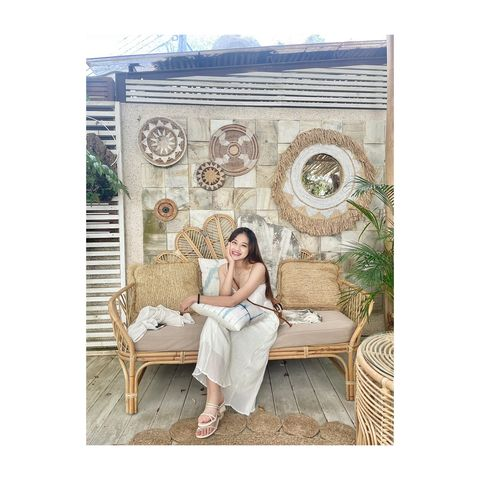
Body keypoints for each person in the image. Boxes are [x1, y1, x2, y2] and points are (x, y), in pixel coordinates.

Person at [179, 227, 280, 439]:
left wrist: (196, 298)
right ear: (228, 244)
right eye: (234, 243)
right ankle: (214, 400)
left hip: (260, 319)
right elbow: (225, 296)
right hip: (236, 317)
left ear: (251, 249)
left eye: (243, 245)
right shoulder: (224, 268)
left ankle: (214, 402)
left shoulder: (258, 268)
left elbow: (232, 301)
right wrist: (230, 265)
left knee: (215, 324)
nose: (237, 248)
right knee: (213, 324)